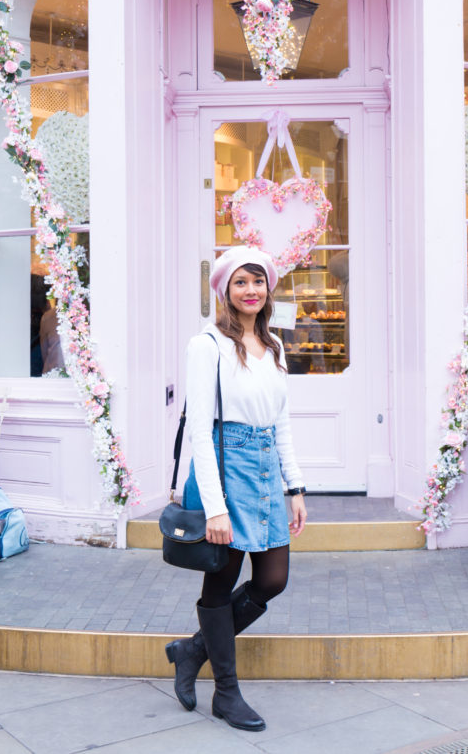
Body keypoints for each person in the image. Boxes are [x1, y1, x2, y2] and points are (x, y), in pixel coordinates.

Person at [166, 246, 307, 733]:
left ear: (269, 288)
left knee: (272, 579)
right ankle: (226, 693)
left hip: (265, 467)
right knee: (220, 582)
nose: (251, 290)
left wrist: (295, 486)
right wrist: (215, 507)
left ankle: (192, 651)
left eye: (258, 281)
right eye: (240, 282)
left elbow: (281, 422)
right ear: (224, 290)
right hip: (226, 468)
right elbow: (200, 432)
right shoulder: (207, 345)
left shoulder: (274, 346)